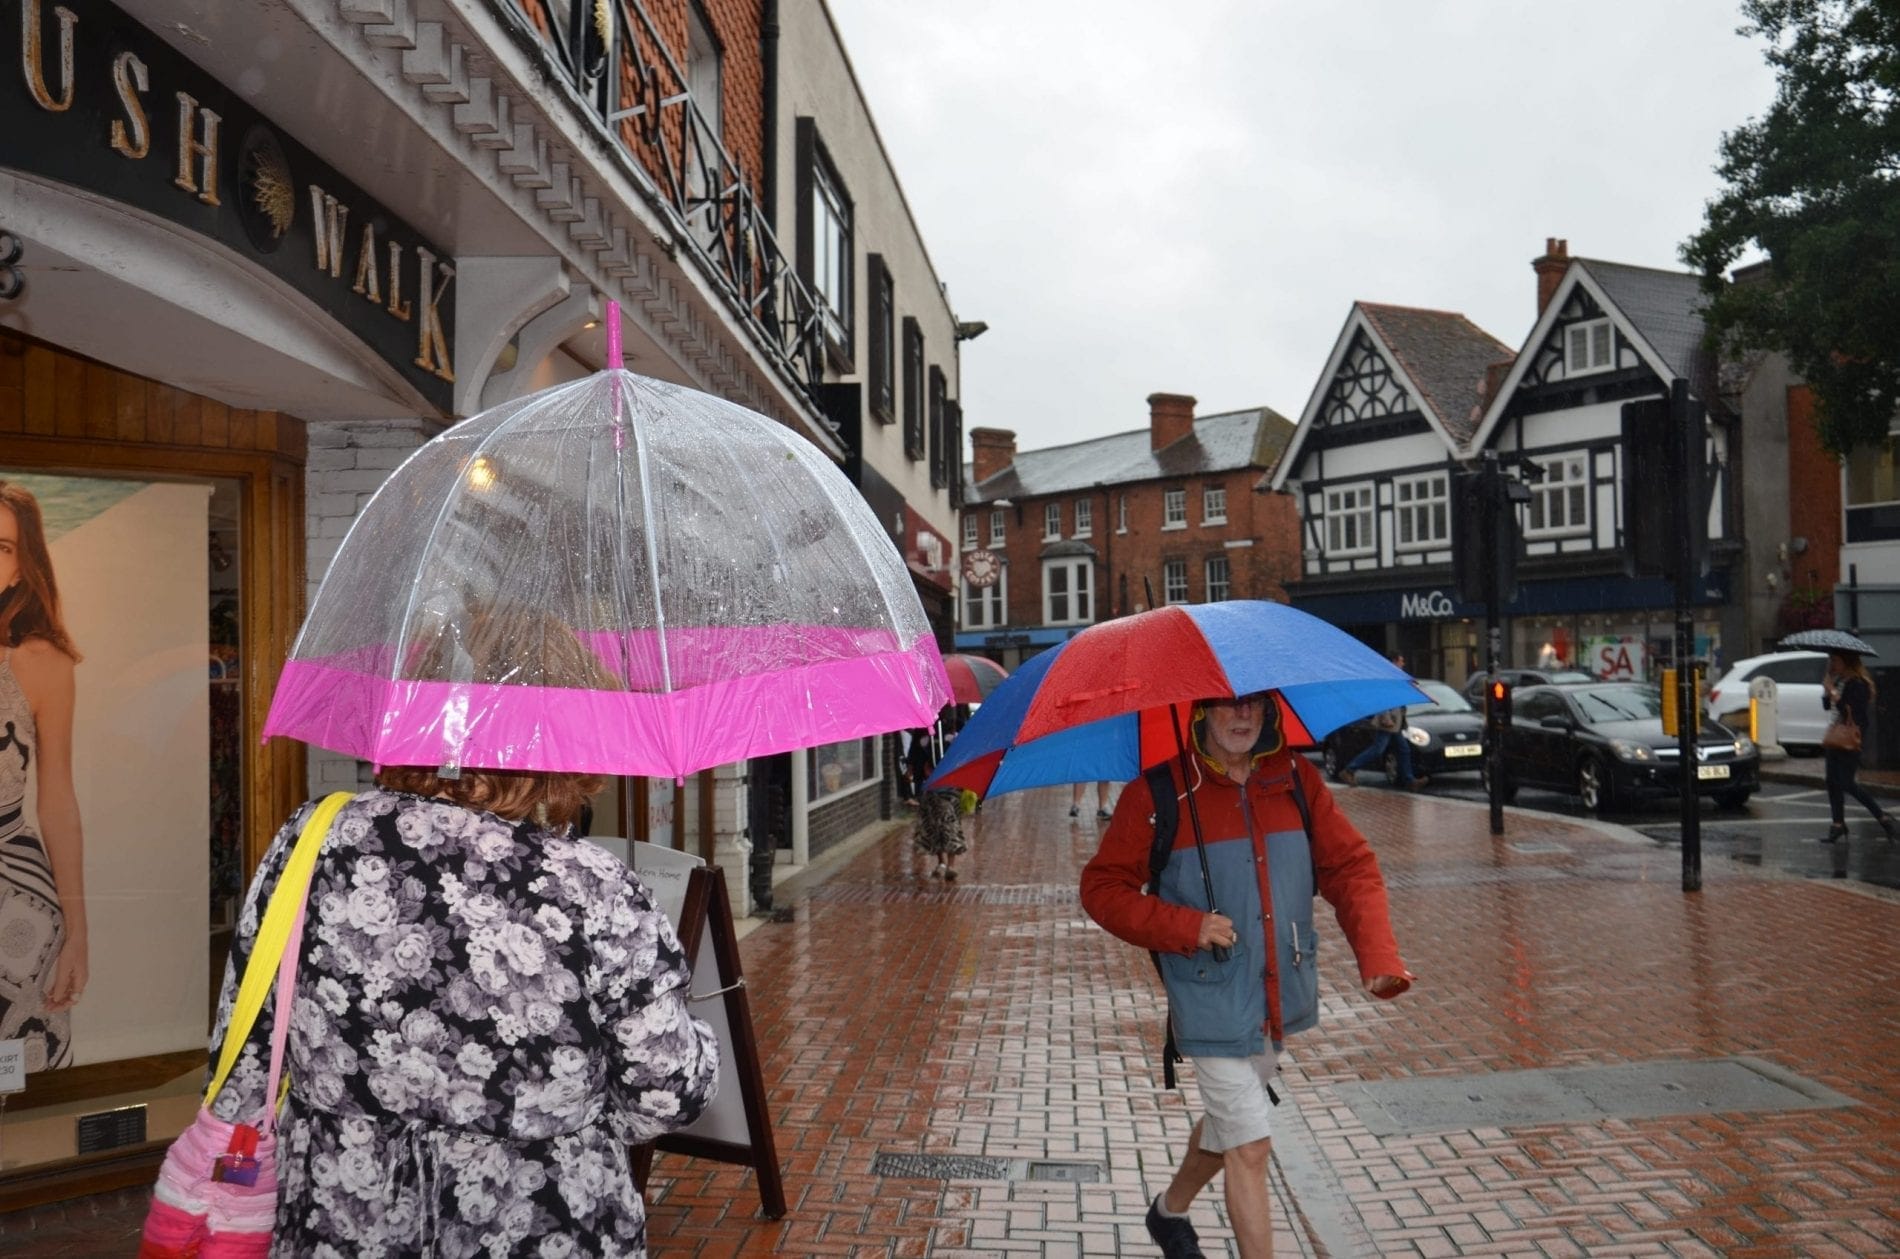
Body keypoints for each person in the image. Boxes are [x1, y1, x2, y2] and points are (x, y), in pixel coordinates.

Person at [202, 605, 720, 1256]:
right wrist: (573, 1114)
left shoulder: (311, 841)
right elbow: (667, 1090)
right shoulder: (590, 887)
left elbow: (243, 1053)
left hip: (337, 1217)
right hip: (536, 1220)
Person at [1081, 692, 1412, 1259]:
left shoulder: (1294, 780)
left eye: (1253, 704)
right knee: (1251, 1144)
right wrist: (1186, 925)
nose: (1241, 716)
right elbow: (1102, 889)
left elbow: (1349, 866)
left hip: (1277, 992)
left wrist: (1378, 956)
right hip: (1207, 997)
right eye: (1226, 704)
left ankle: (1168, 1213)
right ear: (1199, 713)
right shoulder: (1159, 792)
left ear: (1269, 711)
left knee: (1231, 1123)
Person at [0, 480, 88, 1073]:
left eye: (3, 546)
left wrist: (79, 930)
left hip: (15, 906)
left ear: (20, 568)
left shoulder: (40, 663)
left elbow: (57, 797)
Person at [1820, 649, 1895, 843]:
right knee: (1831, 781)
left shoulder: (1858, 684)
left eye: (1835, 660)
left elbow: (1851, 712)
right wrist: (1827, 690)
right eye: (1831, 660)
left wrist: (1834, 693)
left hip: (1850, 739)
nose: (1832, 664)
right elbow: (1828, 707)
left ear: (1847, 662)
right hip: (1834, 736)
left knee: (1847, 783)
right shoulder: (1838, 681)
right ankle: (1837, 825)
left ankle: (1883, 817)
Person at [1335, 654, 1428, 791]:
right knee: (1378, 749)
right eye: (1401, 661)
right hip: (1389, 722)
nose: (1403, 663)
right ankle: (1349, 770)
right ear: (1394, 661)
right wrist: (1386, 719)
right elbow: (1383, 700)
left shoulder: (1396, 677)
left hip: (1396, 723)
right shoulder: (1387, 677)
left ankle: (1410, 781)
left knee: (1403, 749)